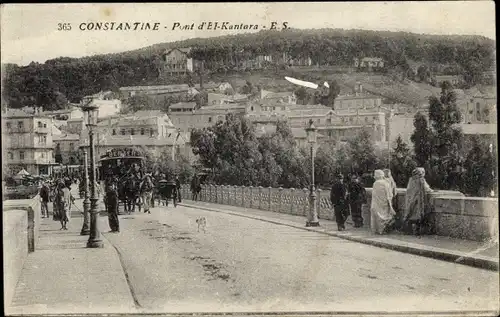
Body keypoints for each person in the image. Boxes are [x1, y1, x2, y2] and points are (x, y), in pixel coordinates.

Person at [403, 167, 434, 236]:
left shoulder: (411, 179)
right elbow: (427, 188)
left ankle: (410, 230)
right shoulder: (421, 180)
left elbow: (409, 190)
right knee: (418, 214)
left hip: (411, 199)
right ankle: (416, 231)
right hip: (418, 200)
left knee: (411, 213)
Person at [370, 170, 396, 235]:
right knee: (384, 216)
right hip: (383, 203)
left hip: (376, 203)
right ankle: (382, 230)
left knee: (377, 216)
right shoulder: (385, 183)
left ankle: (377, 230)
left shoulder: (375, 183)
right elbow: (389, 194)